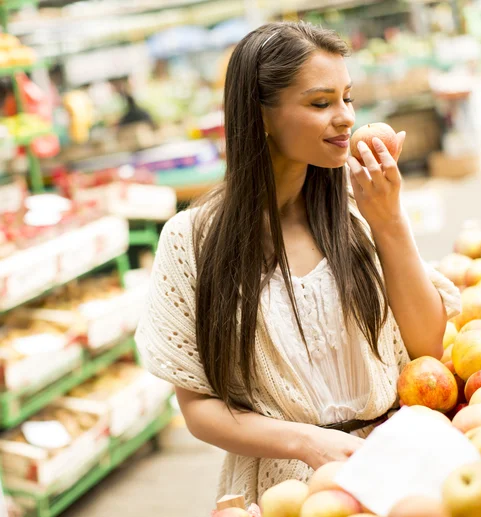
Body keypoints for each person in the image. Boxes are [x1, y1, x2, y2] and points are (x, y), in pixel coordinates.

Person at [135, 21, 460, 506]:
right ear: (262, 115)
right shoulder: (192, 241)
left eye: (347, 98)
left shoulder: (361, 208)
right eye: (320, 103)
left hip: (396, 463)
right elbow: (198, 407)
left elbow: (425, 343)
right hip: (283, 492)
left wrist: (390, 223)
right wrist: (306, 442)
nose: (346, 117)